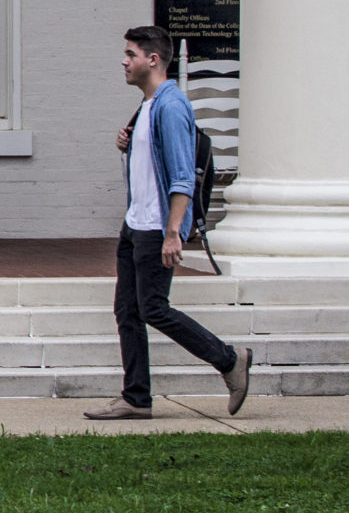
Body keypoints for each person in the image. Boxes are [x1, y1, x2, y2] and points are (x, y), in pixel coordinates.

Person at [85, 26, 252, 421]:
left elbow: (182, 176)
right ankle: (136, 398)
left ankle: (229, 360)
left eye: (131, 54)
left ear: (153, 60)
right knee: (128, 311)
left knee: (154, 308)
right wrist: (129, 144)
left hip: (157, 226)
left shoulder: (172, 106)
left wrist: (174, 232)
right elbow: (152, 165)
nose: (124, 61)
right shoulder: (148, 106)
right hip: (135, 223)